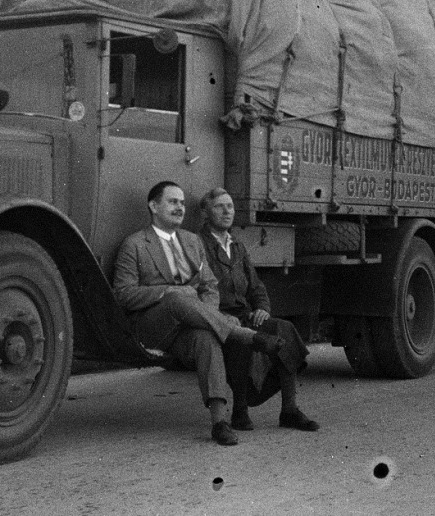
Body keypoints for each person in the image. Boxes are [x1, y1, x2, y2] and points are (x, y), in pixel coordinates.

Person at [113, 180, 283, 446]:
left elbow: (209, 285)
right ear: (153, 206)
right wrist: (170, 292)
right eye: (172, 202)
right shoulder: (134, 244)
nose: (180, 207)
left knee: (207, 338)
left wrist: (204, 313)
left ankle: (219, 423)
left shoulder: (192, 241)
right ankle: (247, 336)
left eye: (182, 203)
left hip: (190, 323)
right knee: (176, 298)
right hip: (153, 325)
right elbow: (123, 294)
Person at [197, 187, 319, 433]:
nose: (226, 211)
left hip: (244, 315)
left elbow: (256, 286)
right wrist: (219, 315)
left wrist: (262, 308)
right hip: (216, 317)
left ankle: (289, 410)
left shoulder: (238, 246)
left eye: (230, 206)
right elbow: (196, 288)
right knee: (241, 338)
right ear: (206, 212)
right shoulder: (197, 244)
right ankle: (240, 411)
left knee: (283, 329)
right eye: (219, 206)